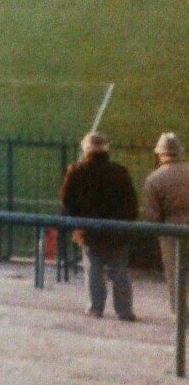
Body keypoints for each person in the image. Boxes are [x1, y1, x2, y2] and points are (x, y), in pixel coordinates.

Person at [59, 132, 138, 320]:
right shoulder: (120, 171)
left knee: (93, 270)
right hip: (117, 231)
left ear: (86, 149)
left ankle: (96, 308)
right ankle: (125, 311)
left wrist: (75, 226)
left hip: (89, 230)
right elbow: (131, 205)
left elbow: (66, 202)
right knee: (119, 272)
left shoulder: (76, 171)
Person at [142, 132, 189, 315]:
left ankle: (181, 317)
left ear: (160, 154)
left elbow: (153, 215)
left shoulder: (154, 179)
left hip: (171, 232)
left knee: (175, 275)